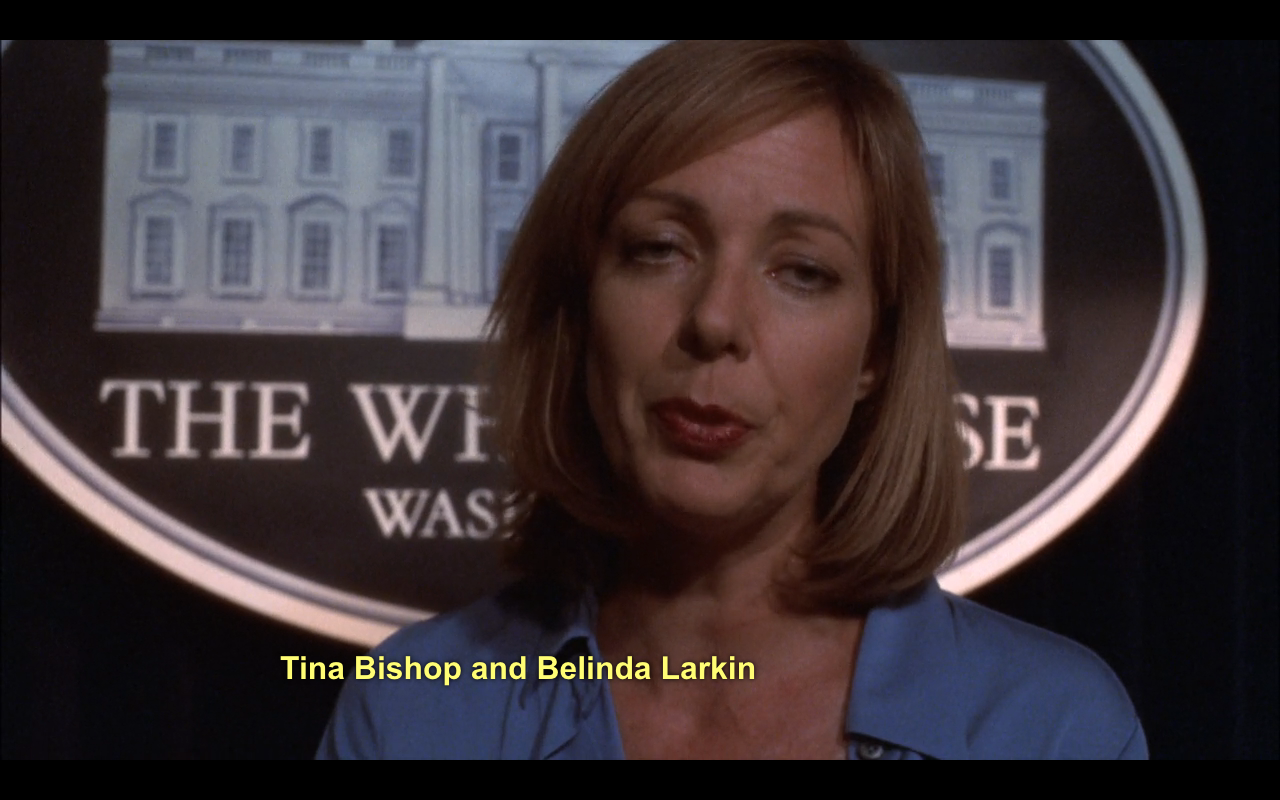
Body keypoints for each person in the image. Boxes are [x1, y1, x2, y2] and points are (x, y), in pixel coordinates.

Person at [318, 40, 1146, 759]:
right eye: (660, 248)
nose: (714, 320)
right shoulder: (414, 711)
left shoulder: (1051, 728)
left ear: (877, 353)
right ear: (579, 306)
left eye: (802, 272)